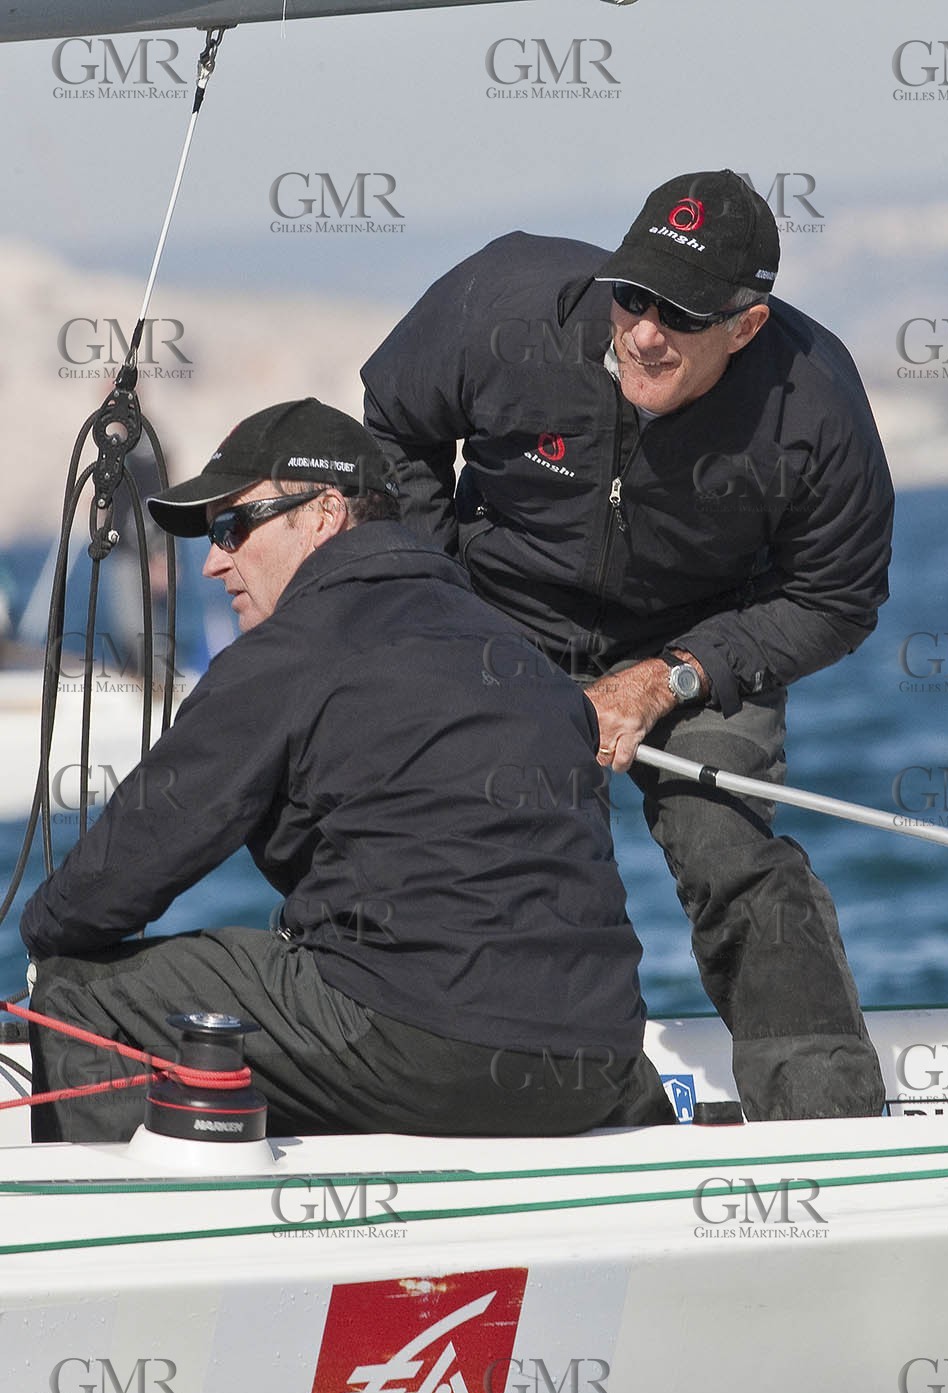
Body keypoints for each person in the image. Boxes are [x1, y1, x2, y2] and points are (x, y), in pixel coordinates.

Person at [360, 170, 894, 1121]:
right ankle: (431, 1084)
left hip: (699, 637)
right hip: (495, 614)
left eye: (681, 314)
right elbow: (394, 428)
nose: (644, 331)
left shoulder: (813, 401)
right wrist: (437, 603)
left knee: (721, 837)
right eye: (632, 296)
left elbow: (836, 597)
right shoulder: (503, 301)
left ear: (746, 325)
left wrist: (670, 676)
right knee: (461, 835)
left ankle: (827, 1118)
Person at [21, 398, 674, 1143]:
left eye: (233, 527)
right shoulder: (514, 648)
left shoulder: (291, 650)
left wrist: (43, 940)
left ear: (324, 512)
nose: (212, 559)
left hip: (426, 1050)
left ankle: (116, 1243)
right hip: (600, 1061)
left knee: (77, 991)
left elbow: (121, 875)